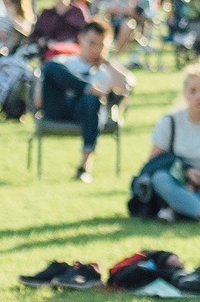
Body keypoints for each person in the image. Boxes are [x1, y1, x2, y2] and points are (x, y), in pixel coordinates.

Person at [41, 18, 133, 183]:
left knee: (92, 100)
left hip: (88, 112)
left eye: (101, 45)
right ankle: (86, 87)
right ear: (81, 39)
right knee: (50, 68)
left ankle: (85, 166)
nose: (96, 49)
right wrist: (87, 87)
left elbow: (127, 85)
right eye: (92, 43)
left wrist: (107, 62)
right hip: (59, 108)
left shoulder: (108, 71)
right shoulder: (66, 62)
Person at [140, 62, 200, 223]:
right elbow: (153, 163)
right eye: (193, 91)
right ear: (185, 93)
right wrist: (186, 171)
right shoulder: (170, 122)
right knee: (160, 179)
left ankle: (175, 209)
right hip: (177, 181)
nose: (199, 97)